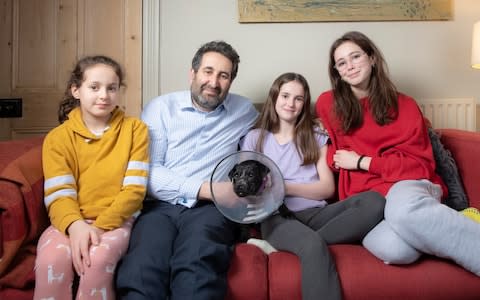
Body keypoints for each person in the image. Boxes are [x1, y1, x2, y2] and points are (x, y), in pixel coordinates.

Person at [316, 31, 480, 276]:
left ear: (372, 58)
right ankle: (441, 225)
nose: (349, 66)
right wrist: (333, 158)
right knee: (397, 251)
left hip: (408, 186)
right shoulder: (328, 104)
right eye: (341, 63)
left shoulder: (405, 105)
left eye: (355, 57)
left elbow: (421, 166)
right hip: (369, 202)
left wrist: (362, 162)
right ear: (337, 72)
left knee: (402, 211)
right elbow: (329, 150)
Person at [115, 40, 259, 300]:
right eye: (208, 71)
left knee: (197, 268)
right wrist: (210, 189)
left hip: (211, 211)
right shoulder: (161, 108)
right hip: (160, 206)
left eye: (223, 75)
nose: (213, 82)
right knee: (142, 268)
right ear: (192, 73)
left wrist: (317, 132)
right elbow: (149, 172)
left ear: (231, 82)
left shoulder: (244, 111)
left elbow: (283, 128)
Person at [240, 72, 386, 300]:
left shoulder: (315, 136)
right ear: (274, 97)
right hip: (277, 217)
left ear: (305, 104)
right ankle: (298, 241)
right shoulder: (255, 138)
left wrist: (282, 186)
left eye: (298, 99)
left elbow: (327, 188)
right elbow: (247, 190)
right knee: (313, 245)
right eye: (285, 96)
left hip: (317, 213)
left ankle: (285, 246)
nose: (291, 103)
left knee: (375, 201)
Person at [34, 55, 149, 300]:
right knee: (51, 260)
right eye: (94, 87)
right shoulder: (57, 138)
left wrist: (97, 228)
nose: (104, 95)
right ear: (76, 90)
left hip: (115, 220)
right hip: (70, 220)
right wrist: (75, 227)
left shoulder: (136, 130)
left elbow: (134, 192)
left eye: (111, 88)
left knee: (97, 259)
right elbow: (59, 193)